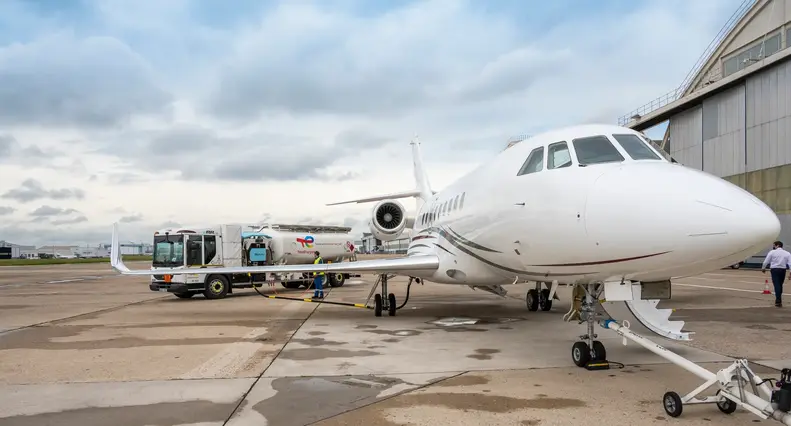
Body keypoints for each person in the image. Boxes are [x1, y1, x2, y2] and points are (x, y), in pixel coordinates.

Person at [762, 241, 791, 307]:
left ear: (777, 245)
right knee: (780, 284)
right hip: (783, 270)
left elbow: (766, 261)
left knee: (776, 284)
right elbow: (790, 263)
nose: (773, 246)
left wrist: (763, 268)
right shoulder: (787, 253)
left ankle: (778, 300)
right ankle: (779, 299)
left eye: (774, 245)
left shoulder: (772, 252)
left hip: (774, 270)